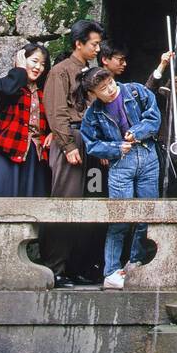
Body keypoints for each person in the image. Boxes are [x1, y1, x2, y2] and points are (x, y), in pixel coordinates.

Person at [77, 66, 161, 290]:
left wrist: (139, 131)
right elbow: (91, 144)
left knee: (146, 215)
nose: (110, 90)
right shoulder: (92, 113)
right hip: (120, 163)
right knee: (120, 218)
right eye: (103, 89)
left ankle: (135, 263)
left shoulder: (135, 91)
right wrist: (115, 148)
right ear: (94, 93)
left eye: (111, 84)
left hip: (147, 155)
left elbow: (154, 117)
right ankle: (111, 272)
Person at [41, 19, 104, 288]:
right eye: (94, 44)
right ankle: (55, 267)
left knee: (92, 201)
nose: (97, 49)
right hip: (73, 138)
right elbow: (56, 111)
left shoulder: (91, 72)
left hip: (92, 143)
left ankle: (79, 266)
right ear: (78, 43)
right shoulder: (60, 71)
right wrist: (67, 146)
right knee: (66, 202)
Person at [0, 43, 53, 198]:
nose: (38, 67)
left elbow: (51, 120)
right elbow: (8, 90)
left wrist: (52, 133)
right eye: (34, 61)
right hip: (9, 151)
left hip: (35, 155)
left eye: (42, 64)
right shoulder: (1, 85)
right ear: (21, 59)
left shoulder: (44, 93)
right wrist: (19, 70)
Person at [146, 52, 177, 198]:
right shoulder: (164, 95)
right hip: (168, 156)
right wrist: (162, 65)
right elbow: (148, 90)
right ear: (170, 80)